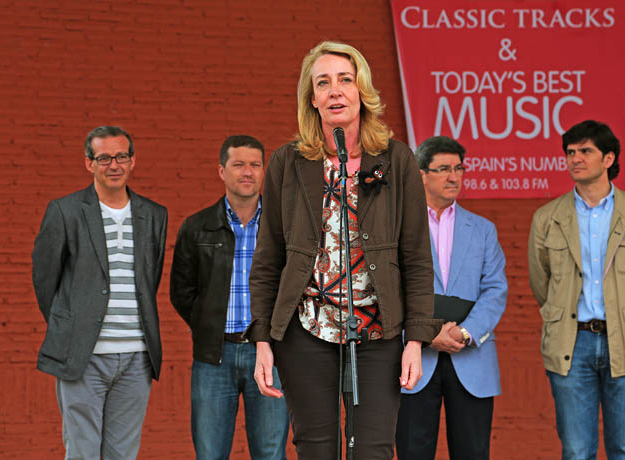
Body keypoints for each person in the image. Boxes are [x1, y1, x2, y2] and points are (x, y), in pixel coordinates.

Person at [244, 41, 441, 460]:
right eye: (323, 83)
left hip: (378, 331)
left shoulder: (397, 160)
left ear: (361, 91)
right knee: (316, 449)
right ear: (312, 99)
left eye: (345, 80)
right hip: (305, 330)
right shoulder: (286, 163)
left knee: (372, 449)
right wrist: (263, 339)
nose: (335, 90)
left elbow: (417, 259)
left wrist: (415, 340)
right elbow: (268, 259)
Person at [528, 120, 625, 460]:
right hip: (571, 344)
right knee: (577, 451)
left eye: (585, 151)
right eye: (570, 152)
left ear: (608, 158)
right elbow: (541, 283)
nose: (575, 158)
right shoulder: (547, 218)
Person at [32, 126, 167, 460]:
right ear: (88, 163)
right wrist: (71, 326)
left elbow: (150, 279)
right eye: (104, 158)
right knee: (82, 453)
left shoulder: (153, 215)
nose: (114, 165)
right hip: (83, 357)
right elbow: (44, 280)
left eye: (121, 156)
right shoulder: (64, 211)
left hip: (137, 358)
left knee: (123, 454)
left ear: (133, 161)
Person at [170, 135, 289, 460]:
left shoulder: (283, 227)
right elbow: (181, 291)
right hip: (214, 355)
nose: (247, 172)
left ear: (263, 171)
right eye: (238, 165)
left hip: (270, 355)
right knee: (210, 453)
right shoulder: (197, 227)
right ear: (222, 171)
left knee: (270, 452)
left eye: (254, 165)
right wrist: (208, 325)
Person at [395, 136, 508, 460]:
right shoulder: (396, 228)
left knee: (473, 453)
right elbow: (386, 290)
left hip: (470, 355)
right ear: (421, 174)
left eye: (458, 168)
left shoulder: (483, 229)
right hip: (414, 359)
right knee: (413, 452)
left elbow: (495, 289)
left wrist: (465, 331)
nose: (454, 176)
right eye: (443, 169)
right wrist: (427, 333)